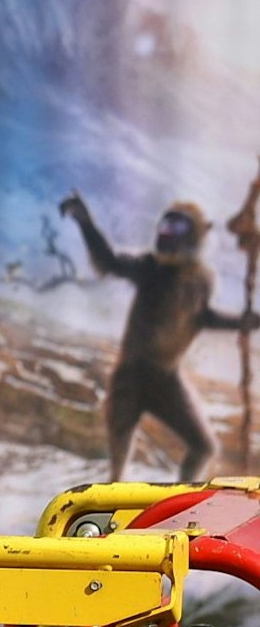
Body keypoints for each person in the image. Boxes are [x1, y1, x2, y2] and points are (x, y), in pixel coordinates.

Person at [59, 192, 256, 482]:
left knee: (203, 447)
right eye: (165, 227)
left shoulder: (201, 280)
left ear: (194, 236)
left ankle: (179, 506)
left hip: (165, 378)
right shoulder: (151, 268)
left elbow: (203, 318)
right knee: (117, 473)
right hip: (131, 376)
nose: (165, 235)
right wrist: (86, 223)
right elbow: (109, 262)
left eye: (175, 229)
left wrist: (246, 322)